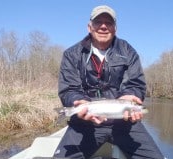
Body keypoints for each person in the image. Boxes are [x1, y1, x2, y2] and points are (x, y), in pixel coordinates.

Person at [54, 5, 164, 159]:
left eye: (109, 23)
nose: (104, 26)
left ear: (115, 28)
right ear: (89, 27)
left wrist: (130, 95)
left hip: (124, 124)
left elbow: (135, 84)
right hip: (85, 123)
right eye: (98, 22)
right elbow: (69, 89)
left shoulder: (128, 51)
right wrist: (77, 102)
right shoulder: (72, 54)